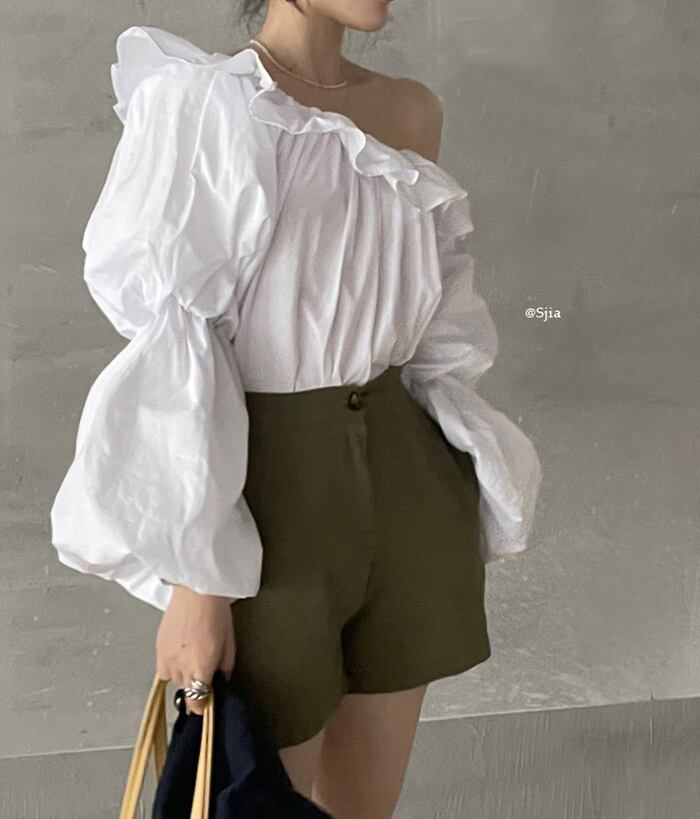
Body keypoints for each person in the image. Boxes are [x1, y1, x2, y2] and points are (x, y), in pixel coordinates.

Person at [50, 3, 542, 817]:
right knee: (252, 796)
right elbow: (181, 339)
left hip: (407, 484)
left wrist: (464, 471)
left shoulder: (411, 111)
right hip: (265, 501)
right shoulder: (203, 104)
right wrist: (198, 580)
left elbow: (435, 319)